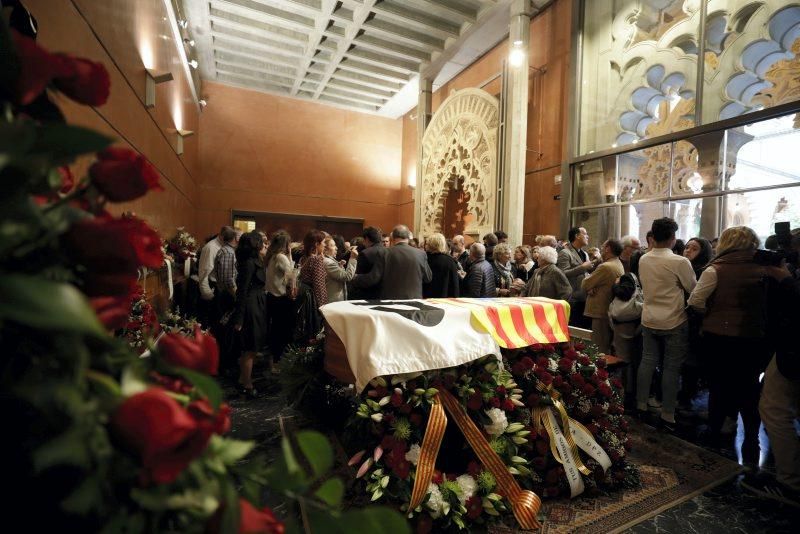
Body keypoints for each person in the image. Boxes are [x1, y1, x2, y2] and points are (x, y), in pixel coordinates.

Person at [688, 226, 784, 467]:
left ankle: (714, 431)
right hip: (754, 338)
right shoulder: (766, 269)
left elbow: (695, 301)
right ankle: (751, 438)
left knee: (719, 385)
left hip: (719, 337)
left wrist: (711, 314)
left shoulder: (716, 269)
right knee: (750, 389)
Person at [635, 217, 697, 431]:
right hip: (673, 320)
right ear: (672, 238)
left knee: (647, 362)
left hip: (649, 317)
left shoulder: (644, 259)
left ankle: (640, 405)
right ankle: (668, 415)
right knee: (671, 368)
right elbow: (693, 289)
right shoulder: (679, 262)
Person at [746, 268, 800, 506]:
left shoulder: (787, 280)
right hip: (789, 346)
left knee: (774, 408)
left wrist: (785, 279)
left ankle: (791, 482)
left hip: (793, 349)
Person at [232, 231, 267, 398]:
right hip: (251, 306)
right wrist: (239, 318)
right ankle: (247, 384)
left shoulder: (253, 261)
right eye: (262, 243)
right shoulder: (249, 263)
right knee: (250, 347)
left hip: (256, 303)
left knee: (253, 345)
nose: (264, 245)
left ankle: (242, 379)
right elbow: (242, 291)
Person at [582, 239, 624, 354]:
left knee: (599, 347)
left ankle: (601, 370)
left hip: (600, 311)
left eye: (603, 246)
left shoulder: (605, 267)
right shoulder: (617, 262)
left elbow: (585, 283)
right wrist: (592, 286)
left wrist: (590, 285)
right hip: (607, 309)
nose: (601, 248)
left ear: (608, 249)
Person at [265, 231, 296, 370]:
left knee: (274, 330)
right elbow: (291, 276)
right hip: (280, 299)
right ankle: (277, 362)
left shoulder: (271, 256)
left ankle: (273, 360)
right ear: (286, 244)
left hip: (271, 297)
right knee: (281, 332)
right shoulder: (281, 257)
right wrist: (290, 256)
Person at [213, 227, 240, 373]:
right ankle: (224, 365)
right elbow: (229, 280)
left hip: (224, 294)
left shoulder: (225, 250)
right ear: (235, 238)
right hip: (227, 296)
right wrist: (237, 298)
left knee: (226, 331)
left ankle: (224, 362)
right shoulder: (228, 253)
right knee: (226, 331)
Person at [557, 226, 596, 328]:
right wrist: (582, 267)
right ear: (577, 236)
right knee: (573, 328)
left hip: (585, 297)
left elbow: (585, 273)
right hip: (572, 297)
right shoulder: (565, 253)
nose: (588, 236)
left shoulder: (585, 254)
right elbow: (562, 274)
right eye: (585, 234)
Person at [380, 225, 432, 299]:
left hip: (390, 299)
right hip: (414, 299)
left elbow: (377, 277)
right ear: (408, 237)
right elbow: (428, 278)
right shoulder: (421, 254)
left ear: (392, 238)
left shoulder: (384, 253)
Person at [197, 226, 230, 327]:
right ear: (221, 236)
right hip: (212, 288)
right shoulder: (211, 247)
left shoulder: (222, 245)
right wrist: (207, 292)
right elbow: (204, 272)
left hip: (220, 288)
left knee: (218, 321)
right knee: (211, 322)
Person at [350, 226, 387, 300]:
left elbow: (358, 274)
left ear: (367, 238)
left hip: (367, 294)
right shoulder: (387, 251)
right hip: (384, 293)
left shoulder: (365, 253)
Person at [423, 233, 460, 298]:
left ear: (429, 244)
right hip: (444, 301)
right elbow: (454, 286)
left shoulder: (423, 259)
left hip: (425, 298)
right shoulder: (450, 261)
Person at [322, 235, 357, 303]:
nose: (336, 248)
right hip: (333, 302)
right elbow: (347, 276)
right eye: (333, 245)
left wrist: (339, 266)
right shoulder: (328, 262)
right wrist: (352, 258)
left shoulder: (330, 261)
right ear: (325, 249)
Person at [299, 230, 328, 308]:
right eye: (323, 242)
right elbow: (319, 286)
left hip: (305, 299)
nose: (325, 245)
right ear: (316, 244)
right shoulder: (316, 260)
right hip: (313, 301)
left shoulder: (303, 258)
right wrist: (323, 306)